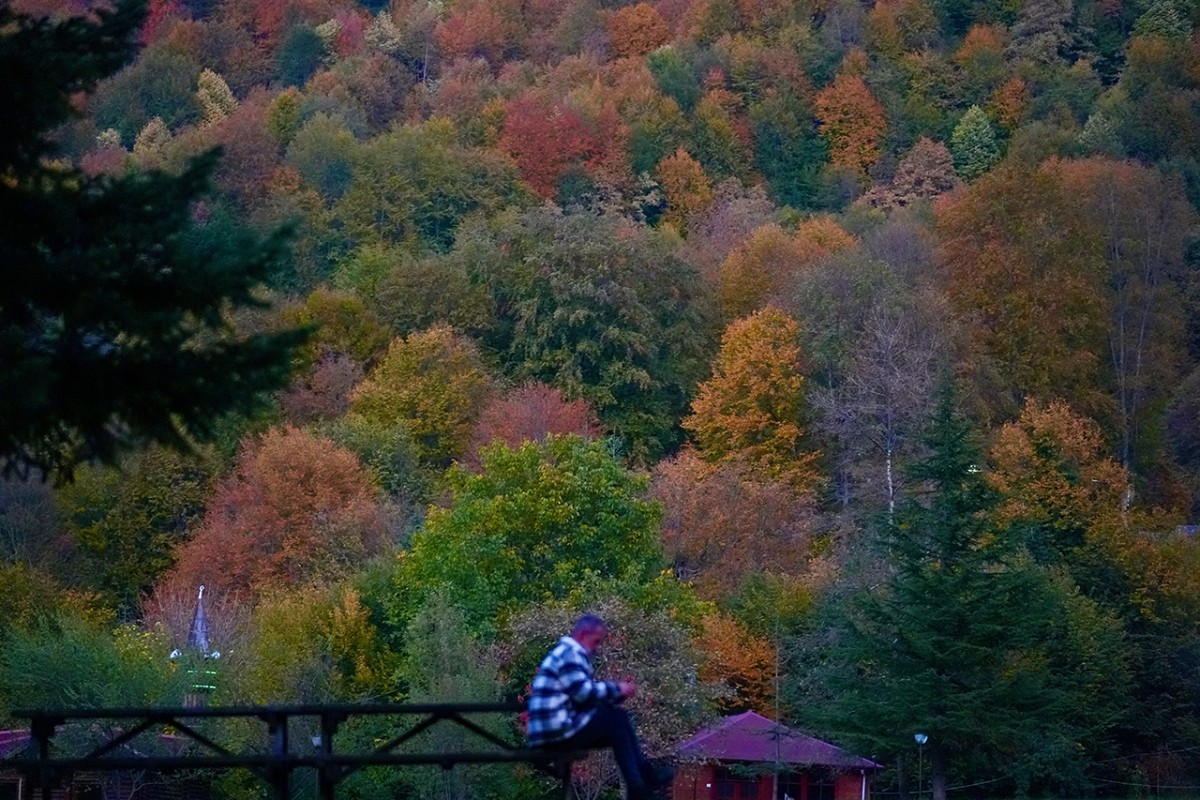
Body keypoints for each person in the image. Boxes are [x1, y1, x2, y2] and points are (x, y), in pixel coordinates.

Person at [526, 614, 673, 799]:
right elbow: (583, 694)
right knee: (618, 719)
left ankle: (639, 785)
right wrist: (616, 689)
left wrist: (615, 697)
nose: (596, 649)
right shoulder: (570, 654)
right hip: (554, 733)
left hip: (556, 728)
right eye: (596, 642)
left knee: (618, 727)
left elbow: (586, 700)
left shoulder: (567, 654)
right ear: (583, 634)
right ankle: (642, 780)